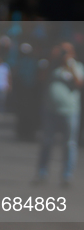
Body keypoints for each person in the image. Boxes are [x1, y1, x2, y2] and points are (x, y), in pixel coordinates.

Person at [35, 41, 83, 186]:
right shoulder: (52, 66)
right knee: (47, 141)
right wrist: (52, 58)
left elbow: (79, 83)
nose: (63, 54)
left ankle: (67, 175)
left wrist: (70, 63)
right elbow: (40, 78)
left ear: (73, 53)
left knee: (69, 144)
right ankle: (42, 173)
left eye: (66, 51)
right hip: (50, 109)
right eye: (62, 51)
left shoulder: (77, 66)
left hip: (70, 110)